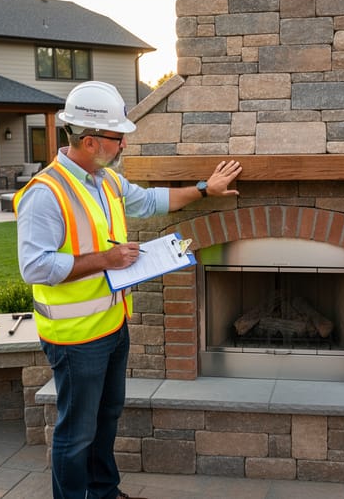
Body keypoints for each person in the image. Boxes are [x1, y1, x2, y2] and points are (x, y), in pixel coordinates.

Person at [15, 80, 242, 499]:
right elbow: (35, 267)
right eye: (117, 137)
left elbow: (150, 201)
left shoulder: (104, 181)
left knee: (106, 419)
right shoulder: (45, 194)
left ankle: (104, 492)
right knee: (76, 434)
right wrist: (106, 259)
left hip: (112, 326)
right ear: (89, 141)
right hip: (75, 339)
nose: (123, 145)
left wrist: (204, 189)